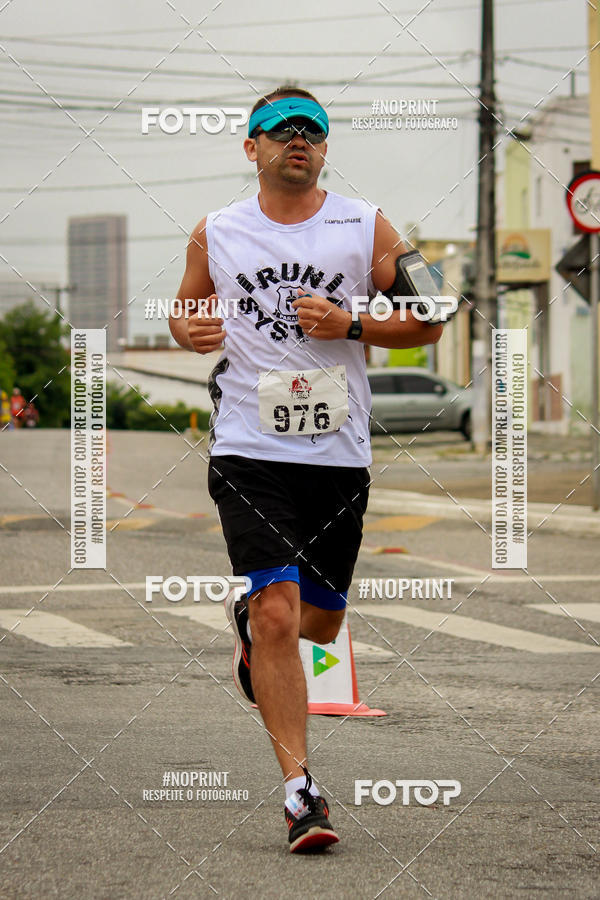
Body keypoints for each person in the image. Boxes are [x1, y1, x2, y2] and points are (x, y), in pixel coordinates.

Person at [170, 85, 443, 853]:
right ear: (250, 147)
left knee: (319, 624)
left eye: (312, 130)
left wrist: (353, 323)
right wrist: (189, 328)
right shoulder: (216, 232)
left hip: (337, 456)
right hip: (249, 449)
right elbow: (184, 309)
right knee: (278, 614)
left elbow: (436, 314)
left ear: (324, 147)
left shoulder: (365, 225)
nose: (298, 138)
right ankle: (301, 794)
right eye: (280, 128)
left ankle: (254, 637)